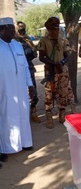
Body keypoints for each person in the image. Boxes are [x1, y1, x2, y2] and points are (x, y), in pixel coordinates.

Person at [0, 17, 34, 164]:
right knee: (6, 117)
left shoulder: (18, 46)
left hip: (20, 88)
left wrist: (30, 84)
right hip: (4, 89)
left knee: (22, 113)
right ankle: (6, 148)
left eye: (13, 28)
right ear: (1, 30)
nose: (13, 31)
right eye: (9, 29)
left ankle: (25, 143)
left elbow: (25, 66)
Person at [38, 17, 75, 129]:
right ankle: (49, 117)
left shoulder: (63, 41)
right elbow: (41, 57)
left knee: (63, 93)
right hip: (50, 71)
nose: (56, 31)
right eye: (53, 28)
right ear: (48, 29)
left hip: (62, 71)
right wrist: (54, 63)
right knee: (49, 94)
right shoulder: (43, 41)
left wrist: (61, 62)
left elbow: (67, 55)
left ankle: (62, 115)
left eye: (57, 28)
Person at [15, 21, 41, 123]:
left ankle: (33, 112)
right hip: (16, 70)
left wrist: (28, 50)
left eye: (23, 29)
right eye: (20, 30)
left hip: (28, 68)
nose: (22, 32)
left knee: (33, 91)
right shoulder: (12, 42)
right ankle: (21, 114)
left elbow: (34, 54)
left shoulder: (27, 40)